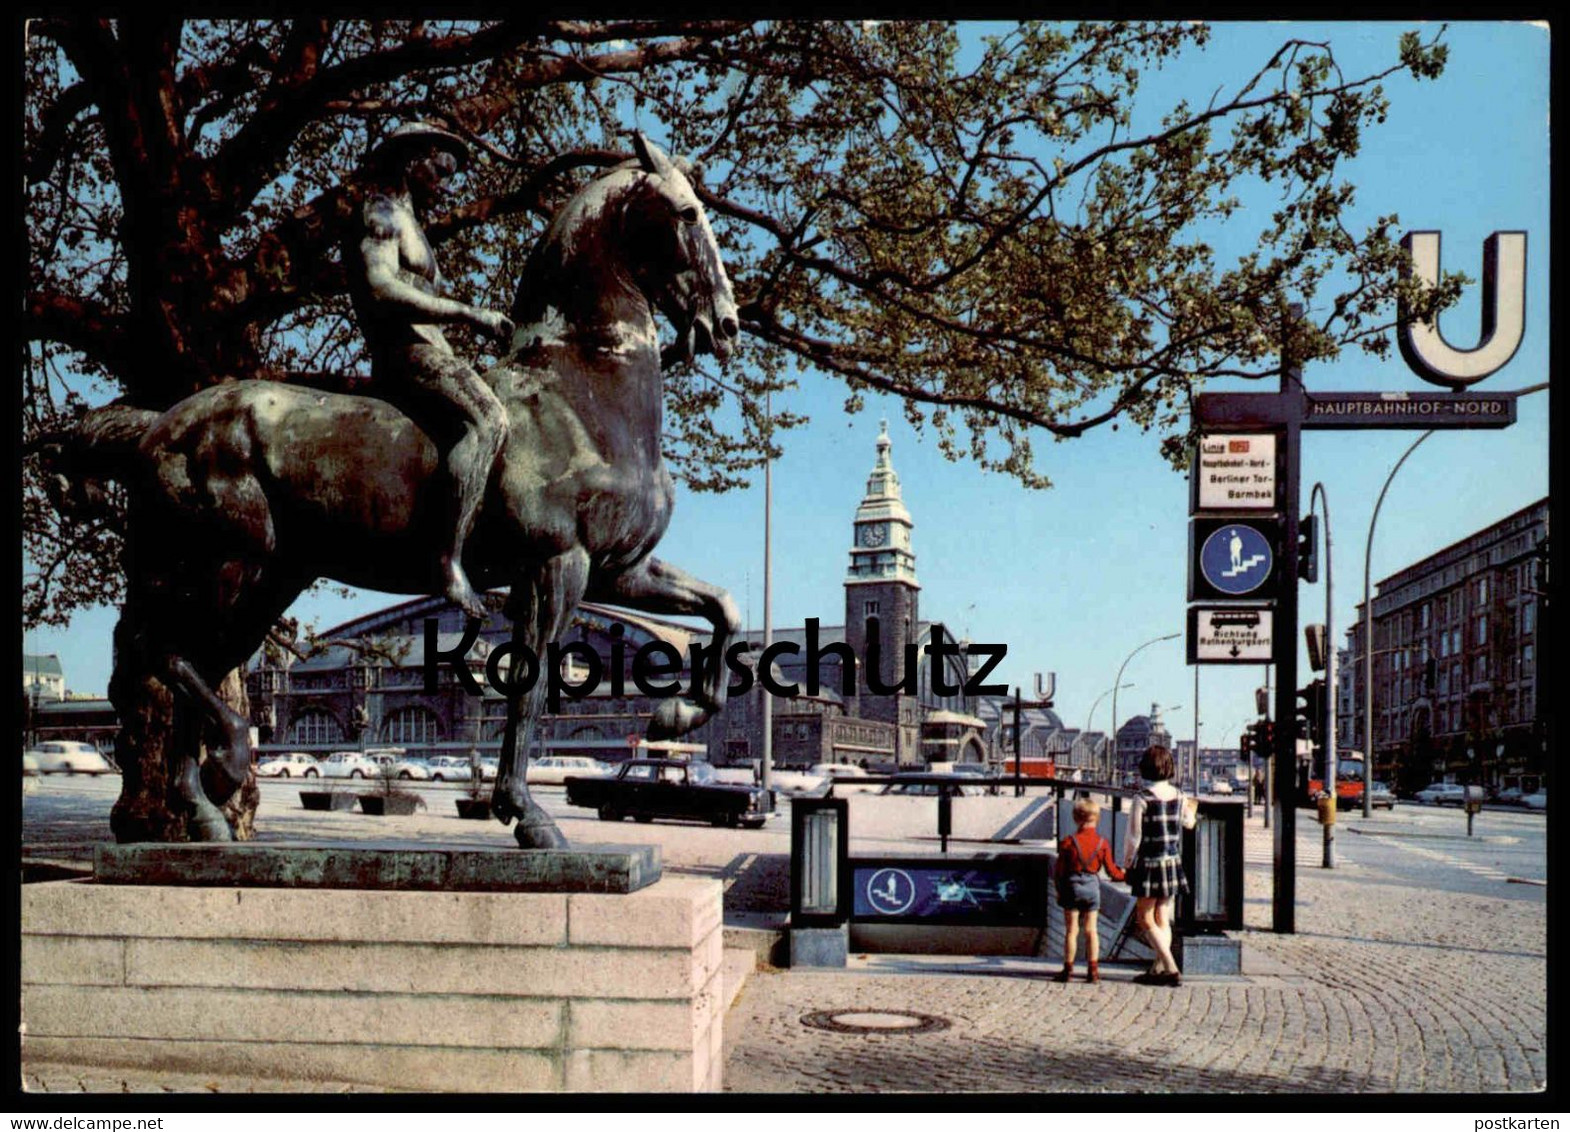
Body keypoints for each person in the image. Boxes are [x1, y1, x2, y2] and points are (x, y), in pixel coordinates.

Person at [343, 121, 516, 621]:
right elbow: (381, 287)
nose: (445, 182)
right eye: (440, 170)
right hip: (406, 354)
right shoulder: (379, 214)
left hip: (433, 350)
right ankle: (448, 560)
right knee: (490, 420)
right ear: (413, 159)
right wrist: (467, 313)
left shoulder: (411, 221)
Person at [1123, 744, 1197, 987]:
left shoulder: (1141, 798)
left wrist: (1127, 863)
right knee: (1162, 916)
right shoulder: (1180, 796)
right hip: (1171, 861)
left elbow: (1134, 837)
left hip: (1149, 863)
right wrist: (1193, 813)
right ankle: (1157, 969)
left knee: (1144, 918)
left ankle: (1171, 967)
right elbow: (1188, 824)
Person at [1053, 796, 1125, 983]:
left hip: (1072, 887)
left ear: (1076, 818)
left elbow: (1059, 872)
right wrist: (1126, 875)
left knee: (1071, 931)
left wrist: (1060, 891)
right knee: (1091, 930)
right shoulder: (1102, 843)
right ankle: (1093, 971)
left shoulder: (1068, 842)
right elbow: (1113, 873)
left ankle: (1067, 970)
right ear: (1097, 818)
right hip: (1093, 889)